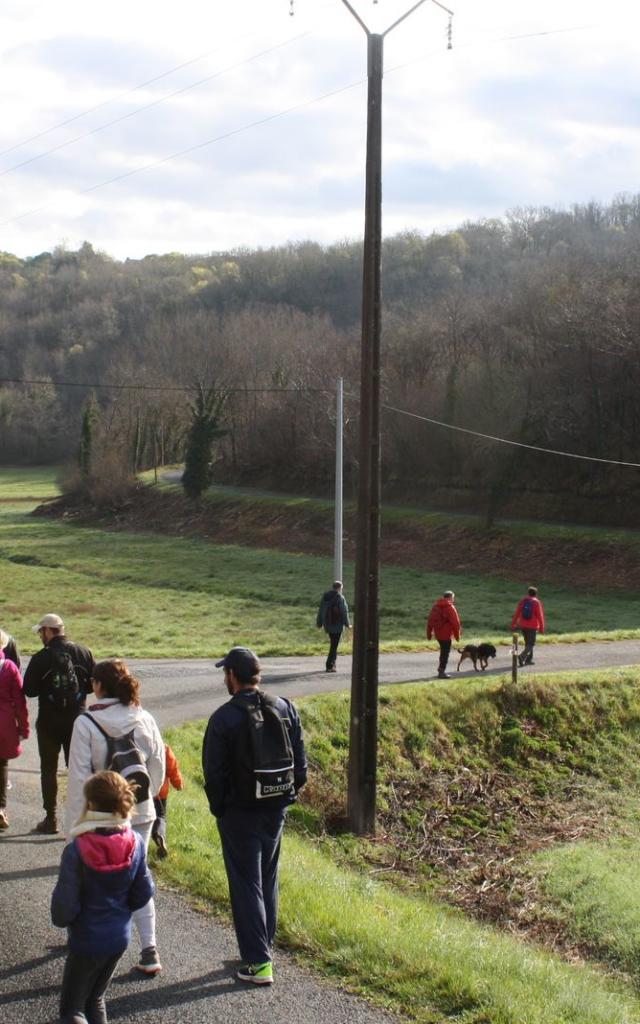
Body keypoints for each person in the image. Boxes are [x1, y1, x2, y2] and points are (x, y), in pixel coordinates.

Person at [202, 646, 307, 986]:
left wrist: (220, 808)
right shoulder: (285, 708)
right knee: (267, 878)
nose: (225, 678)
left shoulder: (223, 718)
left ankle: (259, 962)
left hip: (239, 812)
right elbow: (301, 767)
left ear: (232, 675)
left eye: (225, 673)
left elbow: (214, 774)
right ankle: (264, 946)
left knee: (246, 884)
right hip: (276, 807)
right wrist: (284, 797)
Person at [65, 658, 165, 976]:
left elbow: (79, 779)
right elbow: (158, 765)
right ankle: (149, 950)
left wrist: (75, 827)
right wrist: (142, 799)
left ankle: (90, 940)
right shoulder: (144, 717)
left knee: (93, 879)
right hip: (140, 810)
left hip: (100, 816)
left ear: (98, 686)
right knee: (139, 876)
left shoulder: (86, 723)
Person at [52, 770, 154, 1024]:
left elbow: (63, 908)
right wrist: (120, 911)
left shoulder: (77, 850)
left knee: (72, 1010)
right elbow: (143, 892)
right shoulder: (136, 843)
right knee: (95, 999)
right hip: (118, 938)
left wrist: (67, 920)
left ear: (91, 804)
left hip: (86, 939)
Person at [23, 613, 95, 834]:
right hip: (78, 722)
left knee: (48, 770)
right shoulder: (84, 653)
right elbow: (92, 686)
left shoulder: (40, 658)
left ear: (48, 631)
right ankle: (82, 819)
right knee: (79, 770)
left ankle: (51, 819)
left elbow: (29, 691)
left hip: (48, 722)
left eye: (41, 631)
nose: (40, 636)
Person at [0, 634, 30, 830]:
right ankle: (0, 808)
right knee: (1, 764)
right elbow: (20, 702)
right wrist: (24, 728)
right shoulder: (9, 667)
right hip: (4, 723)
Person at [151, 743, 183, 859]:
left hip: (143, 790)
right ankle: (160, 835)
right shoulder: (164, 748)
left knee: (143, 815)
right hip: (160, 792)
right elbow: (172, 768)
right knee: (160, 816)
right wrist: (178, 783)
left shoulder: (139, 744)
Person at [316, 580, 351, 672]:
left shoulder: (325, 597)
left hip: (327, 624)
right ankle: (329, 665)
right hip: (337, 625)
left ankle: (333, 664)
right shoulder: (340, 598)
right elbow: (344, 612)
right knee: (334, 646)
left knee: (333, 644)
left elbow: (321, 610)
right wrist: (347, 624)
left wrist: (319, 623)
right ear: (339, 588)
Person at [426, 590, 461, 679]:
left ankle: (441, 669)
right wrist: (457, 636)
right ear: (450, 598)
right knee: (445, 653)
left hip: (438, 634)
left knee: (443, 652)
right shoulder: (450, 607)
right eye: (453, 598)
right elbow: (456, 623)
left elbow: (430, 620)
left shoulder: (435, 606)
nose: (453, 600)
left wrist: (429, 634)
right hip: (446, 635)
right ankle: (441, 672)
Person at [512, 586, 545, 666]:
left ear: (528, 593)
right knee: (531, 644)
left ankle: (528, 660)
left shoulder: (523, 601)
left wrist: (513, 624)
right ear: (535, 594)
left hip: (523, 625)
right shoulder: (536, 602)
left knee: (528, 643)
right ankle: (522, 656)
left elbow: (517, 613)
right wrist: (542, 628)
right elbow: (540, 616)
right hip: (533, 626)